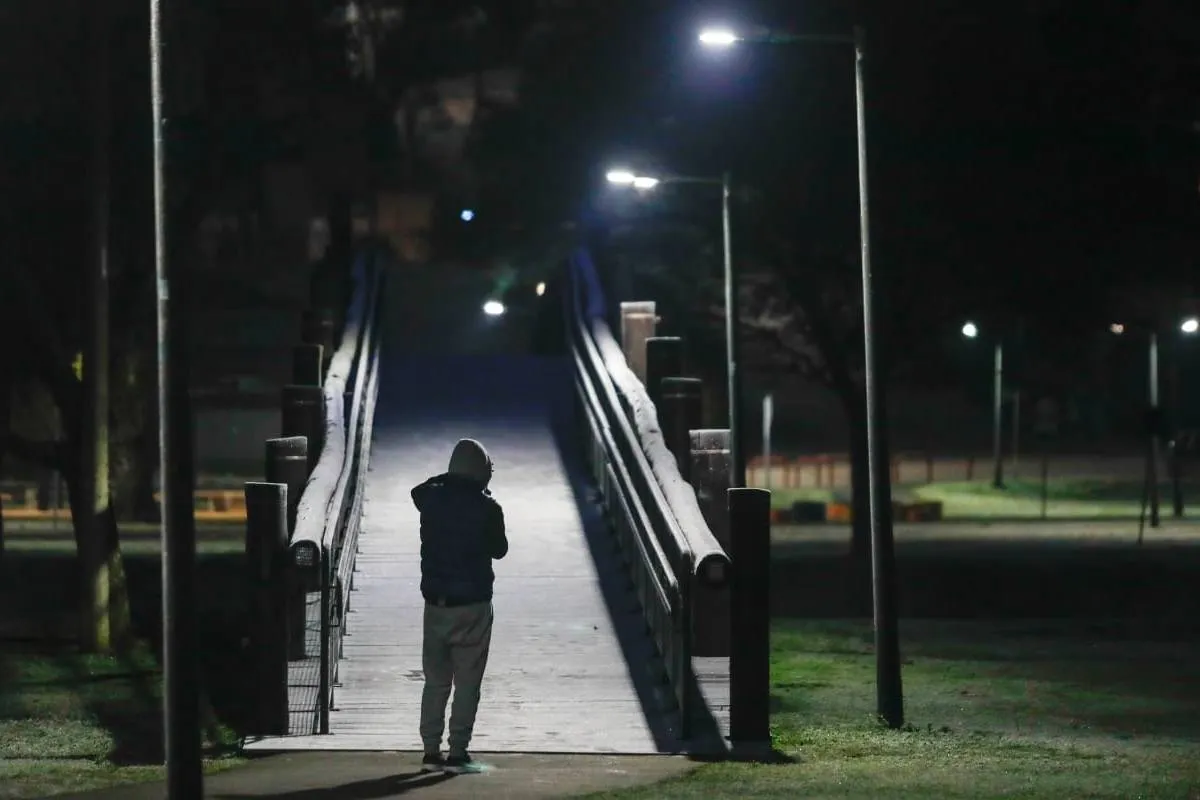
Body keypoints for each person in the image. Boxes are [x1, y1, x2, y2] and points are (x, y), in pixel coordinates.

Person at [411, 438, 508, 774]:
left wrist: (449, 478)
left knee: (435, 680)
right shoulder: (488, 508)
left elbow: (418, 490)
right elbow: (500, 550)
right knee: (467, 682)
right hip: (473, 606)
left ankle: (429, 747)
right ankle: (458, 750)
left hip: (435, 605)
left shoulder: (432, 500)